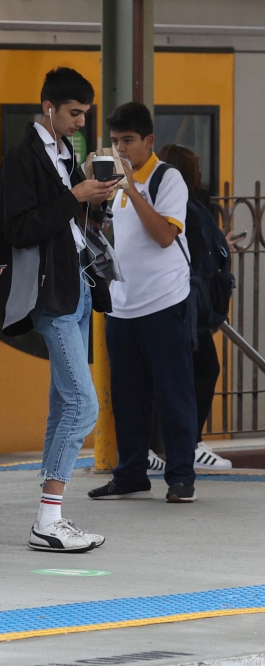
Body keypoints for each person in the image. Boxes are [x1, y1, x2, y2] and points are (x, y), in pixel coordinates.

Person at [0, 67, 116, 552]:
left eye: (84, 115)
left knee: (65, 402)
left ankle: (50, 517)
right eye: (73, 113)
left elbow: (70, 224)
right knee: (84, 404)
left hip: (77, 285)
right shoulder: (22, 159)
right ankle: (49, 518)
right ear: (49, 107)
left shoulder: (69, 155)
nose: (79, 123)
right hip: (50, 293)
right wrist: (74, 196)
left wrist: (96, 202)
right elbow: (19, 229)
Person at [87, 103, 199, 503]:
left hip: (165, 301)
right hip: (124, 303)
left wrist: (132, 188)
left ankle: (181, 476)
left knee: (174, 393)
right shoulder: (114, 184)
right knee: (127, 397)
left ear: (148, 141)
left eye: (128, 141)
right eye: (115, 142)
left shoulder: (167, 179)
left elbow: (164, 236)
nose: (121, 150)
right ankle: (131, 472)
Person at [153, 143, 234, 471]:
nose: (201, 174)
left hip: (185, 304)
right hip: (184, 304)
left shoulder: (186, 203)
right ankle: (184, 445)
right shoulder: (183, 204)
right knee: (196, 371)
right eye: (195, 168)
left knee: (188, 372)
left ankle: (175, 445)